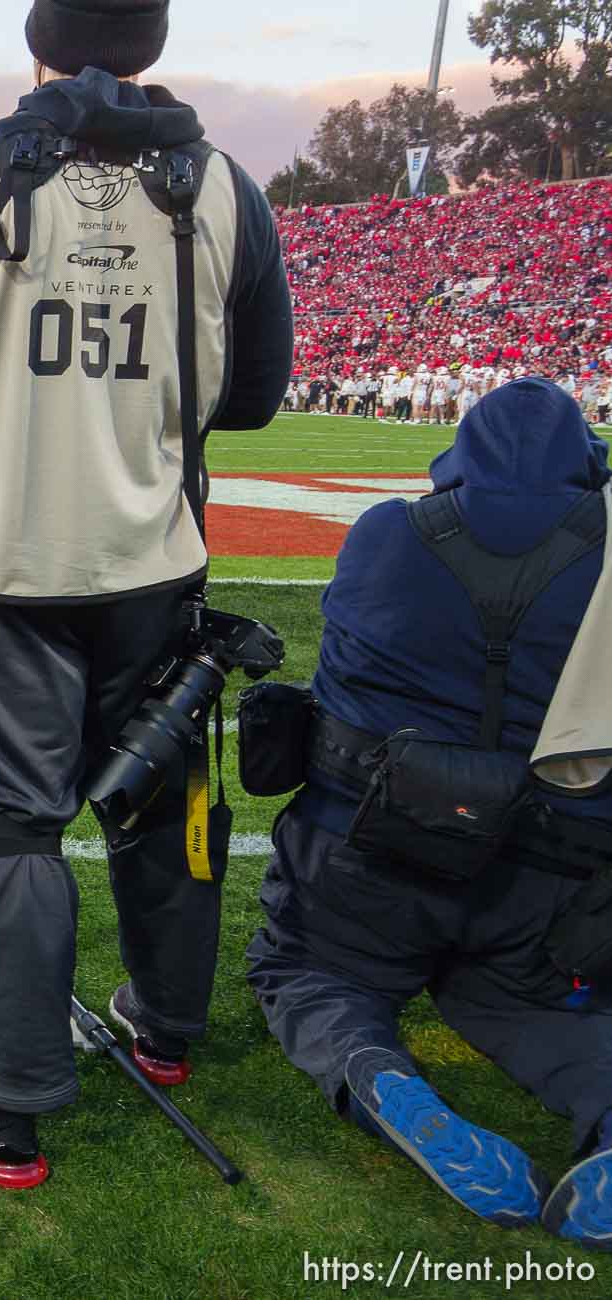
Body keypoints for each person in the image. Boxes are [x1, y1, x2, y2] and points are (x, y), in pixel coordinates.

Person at [0, 0, 293, 1183]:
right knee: (159, 792)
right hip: (154, 547)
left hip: (0, 553)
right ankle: (167, 1025)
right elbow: (249, 400)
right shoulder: (230, 187)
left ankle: (5, 1101)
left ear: (37, 45)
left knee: (13, 824)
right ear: (152, 49)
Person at [246, 379, 611, 1250]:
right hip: (540, 875)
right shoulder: (603, 558)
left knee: (308, 973)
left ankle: (374, 1071)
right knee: (533, 1005)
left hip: (374, 848)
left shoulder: (385, 535)